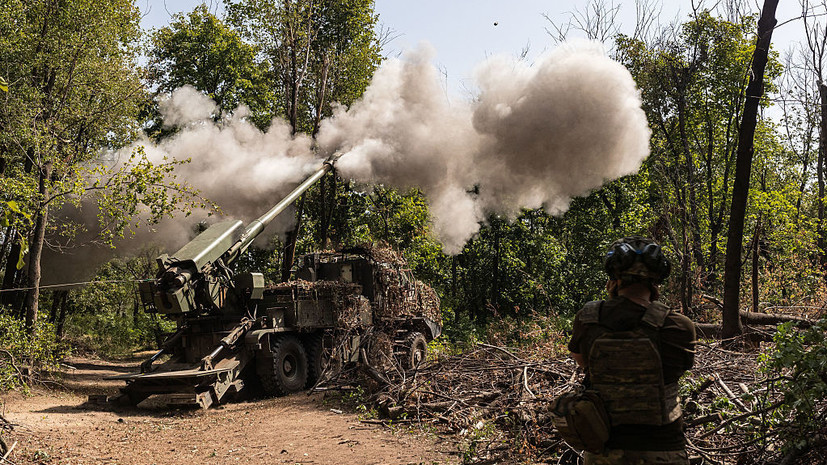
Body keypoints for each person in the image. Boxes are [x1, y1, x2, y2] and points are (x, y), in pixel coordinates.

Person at [567, 237, 696, 465]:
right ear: (655, 281)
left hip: (605, 451)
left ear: (614, 279)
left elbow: (583, 362)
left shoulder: (587, 319)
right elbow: (679, 370)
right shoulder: (680, 326)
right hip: (664, 450)